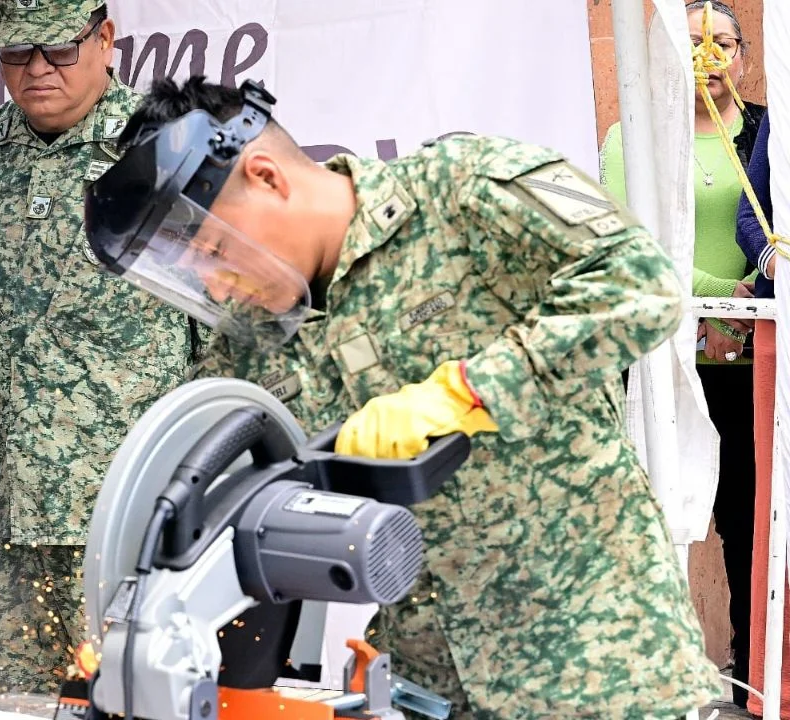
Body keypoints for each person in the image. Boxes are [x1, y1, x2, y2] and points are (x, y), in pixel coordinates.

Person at [83, 76, 721, 717]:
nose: (218, 287)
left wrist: (466, 392)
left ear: (267, 175)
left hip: (600, 662)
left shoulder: (460, 188)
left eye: (217, 251)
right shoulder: (250, 344)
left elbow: (640, 284)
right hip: (424, 684)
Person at [0, 1, 198, 696]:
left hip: (133, 509)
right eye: (17, 53)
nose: (37, 70)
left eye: (57, 49)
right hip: (10, 513)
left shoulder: (170, 150)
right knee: (19, 704)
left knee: (137, 700)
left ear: (105, 39)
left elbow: (236, 330)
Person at [600, 2, 763, 704]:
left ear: (743, 55)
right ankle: (654, 687)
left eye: (722, 44)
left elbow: (772, 219)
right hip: (667, 357)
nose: (710, 60)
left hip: (758, 360)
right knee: (658, 522)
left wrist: (750, 303)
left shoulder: (765, 132)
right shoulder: (633, 134)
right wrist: (718, 303)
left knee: (755, 524)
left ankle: (757, 685)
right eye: (694, 45)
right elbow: (632, 243)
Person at [734, 112, 790, 717]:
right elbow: (750, 217)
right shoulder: (782, 118)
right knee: (779, 507)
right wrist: (776, 263)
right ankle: (778, 685)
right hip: (786, 325)